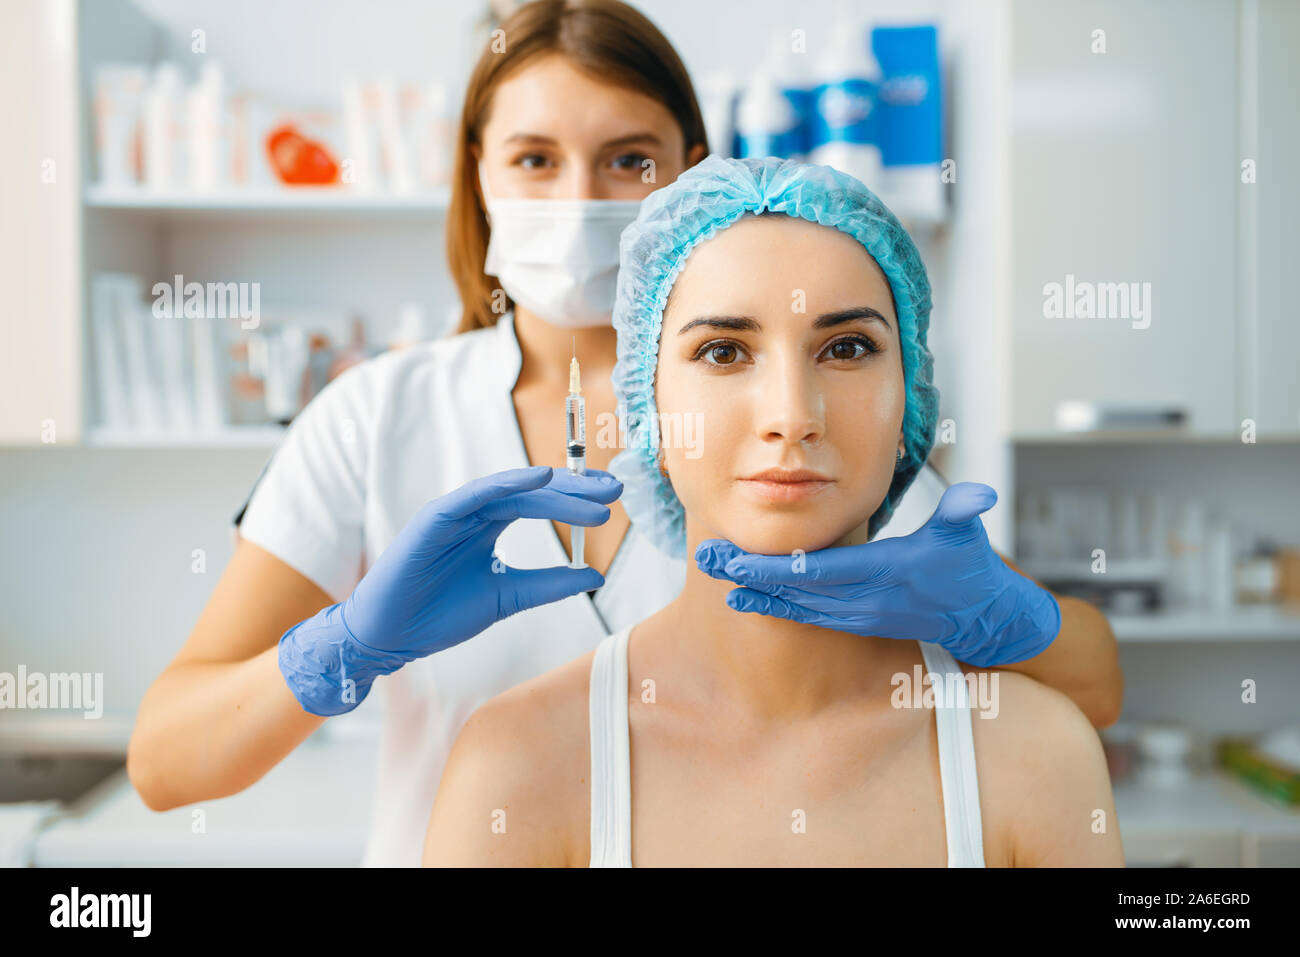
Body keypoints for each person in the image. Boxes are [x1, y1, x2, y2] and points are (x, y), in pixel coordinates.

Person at [128, 0, 1121, 868]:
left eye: (628, 160)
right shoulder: (376, 417)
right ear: (476, 173)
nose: (578, 203)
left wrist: (995, 617)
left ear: (691, 169)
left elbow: (1080, 690)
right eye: (533, 159)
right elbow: (167, 763)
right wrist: (348, 646)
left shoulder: (824, 444)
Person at [423, 157, 1125, 867]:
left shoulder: (1035, 757)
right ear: (648, 408)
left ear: (908, 394)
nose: (793, 415)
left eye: (847, 347)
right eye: (724, 351)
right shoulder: (516, 770)